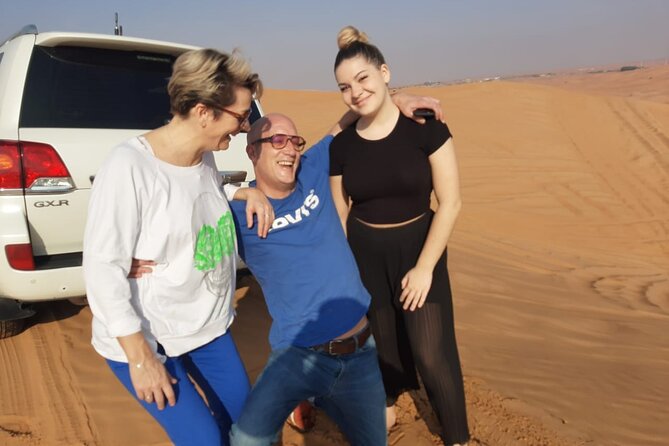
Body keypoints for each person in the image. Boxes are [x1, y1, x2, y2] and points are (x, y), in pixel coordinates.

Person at [83, 48, 271, 446]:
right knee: (204, 440)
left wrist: (242, 193)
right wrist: (141, 358)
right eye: (240, 116)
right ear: (204, 112)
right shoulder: (128, 167)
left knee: (250, 429)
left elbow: (200, 195)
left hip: (207, 328)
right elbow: (102, 270)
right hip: (151, 339)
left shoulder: (202, 157)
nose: (242, 127)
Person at [329, 26, 470, 446]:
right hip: (365, 252)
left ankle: (458, 436)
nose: (355, 92)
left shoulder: (425, 128)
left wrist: (425, 268)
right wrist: (344, 268)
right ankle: (389, 398)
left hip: (418, 247)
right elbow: (340, 209)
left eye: (363, 79)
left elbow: (451, 202)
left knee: (432, 352)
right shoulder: (343, 146)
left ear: (385, 73)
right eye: (344, 87)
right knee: (384, 343)